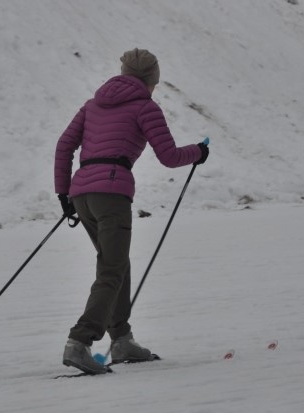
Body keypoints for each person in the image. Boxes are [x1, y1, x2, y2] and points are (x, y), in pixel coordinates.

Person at [54, 48, 210, 374]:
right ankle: (79, 342)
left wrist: (63, 192)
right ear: (151, 79)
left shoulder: (92, 104)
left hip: (83, 193)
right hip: (112, 194)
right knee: (111, 269)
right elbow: (168, 156)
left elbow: (64, 145)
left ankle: (122, 340)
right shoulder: (145, 107)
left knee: (116, 264)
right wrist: (198, 152)